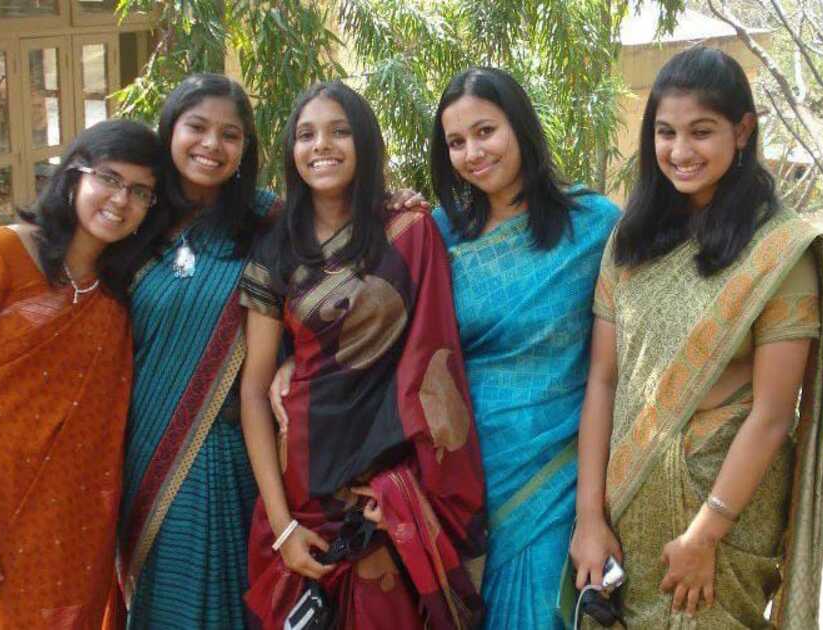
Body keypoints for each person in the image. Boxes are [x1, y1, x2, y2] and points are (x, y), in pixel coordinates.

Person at [568, 47, 823, 629]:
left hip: (719, 524)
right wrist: (589, 518)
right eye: (665, 132)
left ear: (742, 131)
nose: (680, 151)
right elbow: (603, 379)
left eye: (701, 132)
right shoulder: (631, 240)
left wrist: (705, 534)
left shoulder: (780, 252)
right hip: (625, 509)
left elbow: (773, 414)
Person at [239, 80, 486, 629]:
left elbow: (432, 364)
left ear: (365, 142)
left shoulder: (408, 231)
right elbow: (253, 392)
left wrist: (405, 489)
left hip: (383, 491)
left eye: (339, 131)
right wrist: (282, 525)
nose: (321, 146)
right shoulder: (276, 249)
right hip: (301, 489)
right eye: (306, 135)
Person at [0, 119, 167, 628]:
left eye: (140, 191)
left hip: (78, 517)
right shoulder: (0, 255)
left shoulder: (124, 289)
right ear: (75, 174)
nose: (121, 200)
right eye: (109, 178)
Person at [430, 66, 619, 629]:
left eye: (485, 131)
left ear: (520, 126)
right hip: (459, 485)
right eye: (456, 142)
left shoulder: (594, 226)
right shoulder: (439, 233)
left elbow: (620, 364)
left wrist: (592, 515)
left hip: (557, 481)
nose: (472, 153)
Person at [115, 73, 276, 628]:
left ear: (245, 148)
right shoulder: (133, 217)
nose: (212, 145)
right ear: (170, 131)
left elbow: (342, 239)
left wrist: (393, 204)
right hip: (141, 446)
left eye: (230, 135)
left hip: (225, 455)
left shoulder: (268, 222)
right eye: (197, 127)